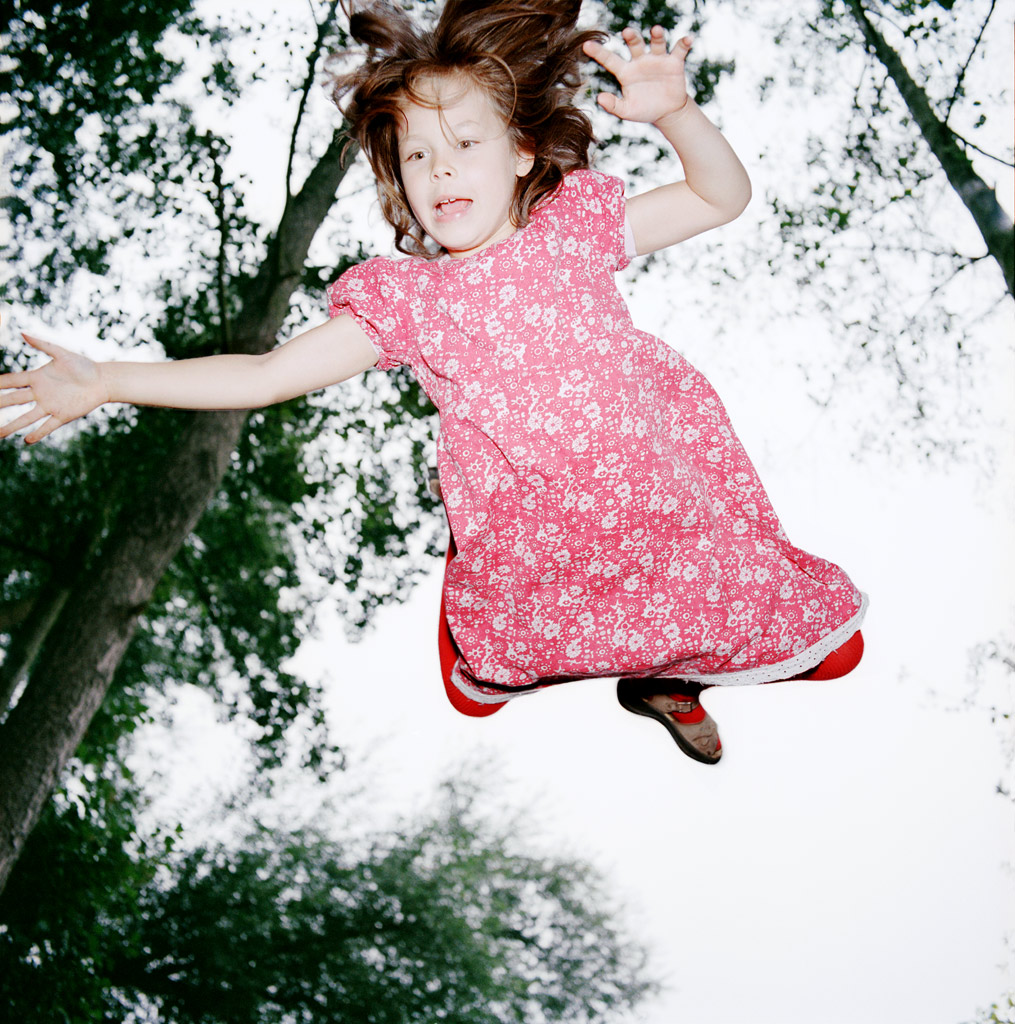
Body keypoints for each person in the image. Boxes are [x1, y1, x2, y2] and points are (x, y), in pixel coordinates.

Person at [0, 0, 866, 766]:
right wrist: (107, 379)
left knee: (833, 652)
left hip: (663, 508)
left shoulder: (572, 228)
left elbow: (719, 198)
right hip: (542, 536)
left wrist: (677, 114)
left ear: (522, 152)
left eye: (464, 143)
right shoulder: (408, 301)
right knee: (487, 677)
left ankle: (664, 679)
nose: (440, 168)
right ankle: (618, 656)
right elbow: (265, 375)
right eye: (416, 154)